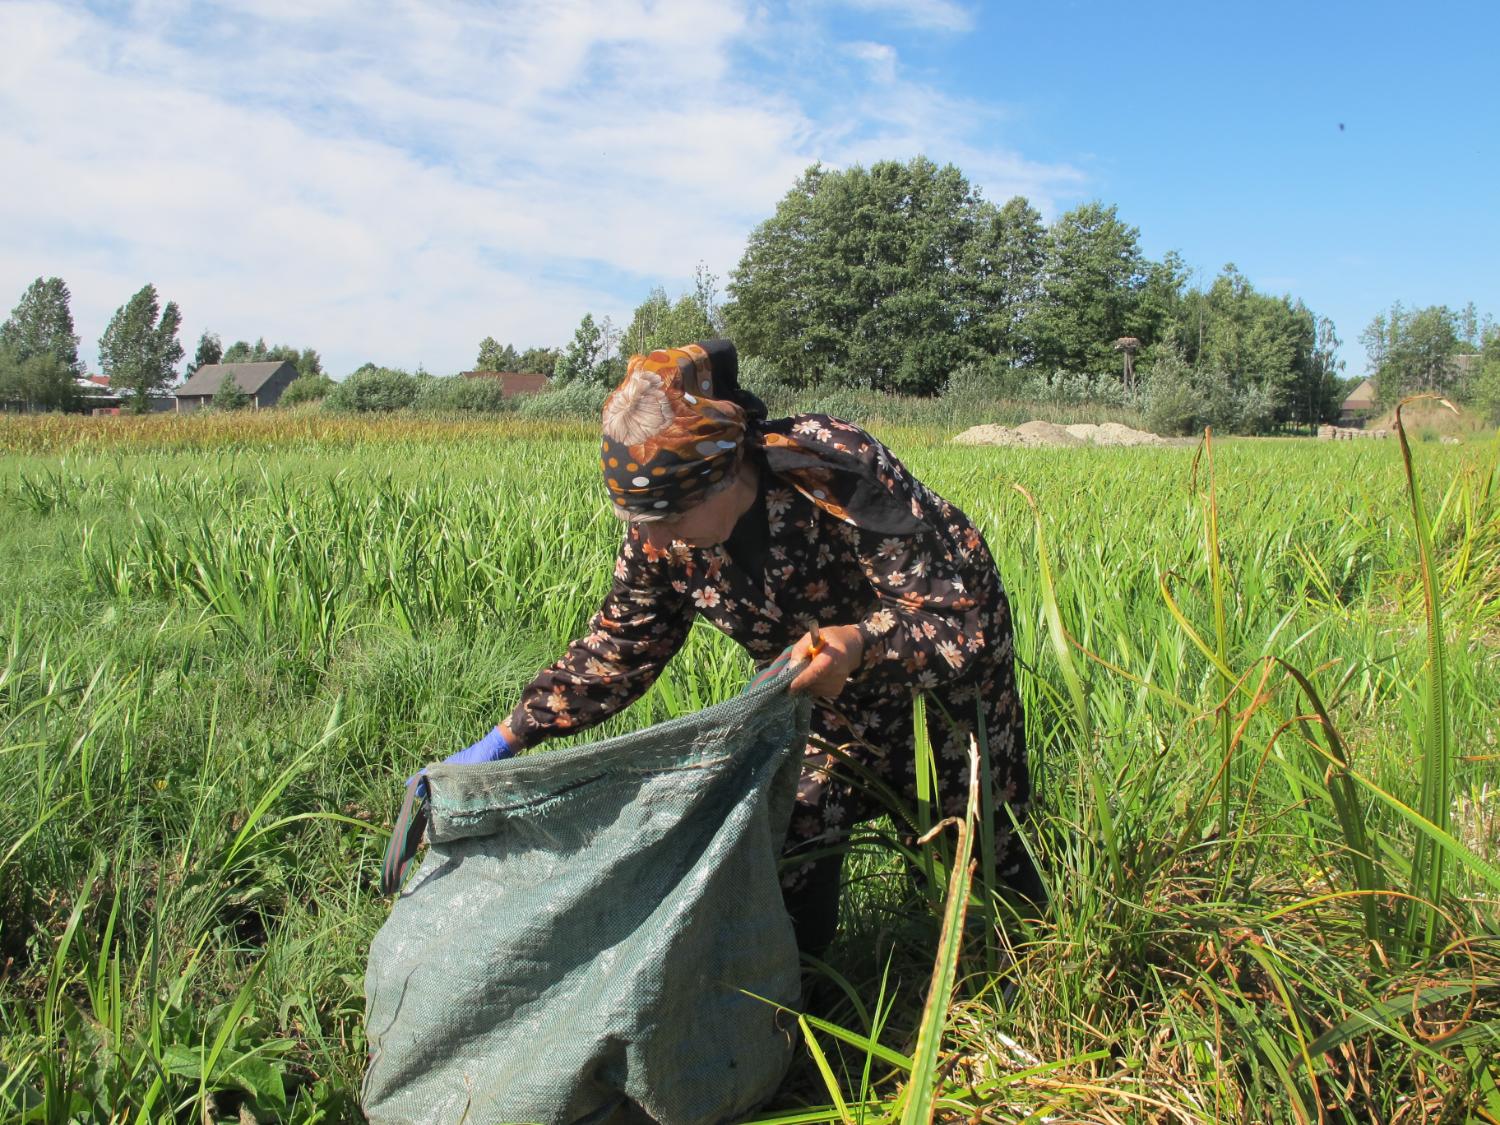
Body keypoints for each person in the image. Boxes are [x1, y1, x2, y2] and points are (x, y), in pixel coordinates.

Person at [441, 340, 1042, 953]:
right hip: (819, 709)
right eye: (641, 521)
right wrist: (507, 738)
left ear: (727, 473)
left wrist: (862, 645)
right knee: (782, 852)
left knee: (986, 874)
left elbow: (962, 621)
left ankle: (1034, 988)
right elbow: (622, 644)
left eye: (672, 518)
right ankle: (799, 1013)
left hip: (940, 696)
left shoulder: (831, 471)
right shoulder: (660, 535)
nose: (657, 539)